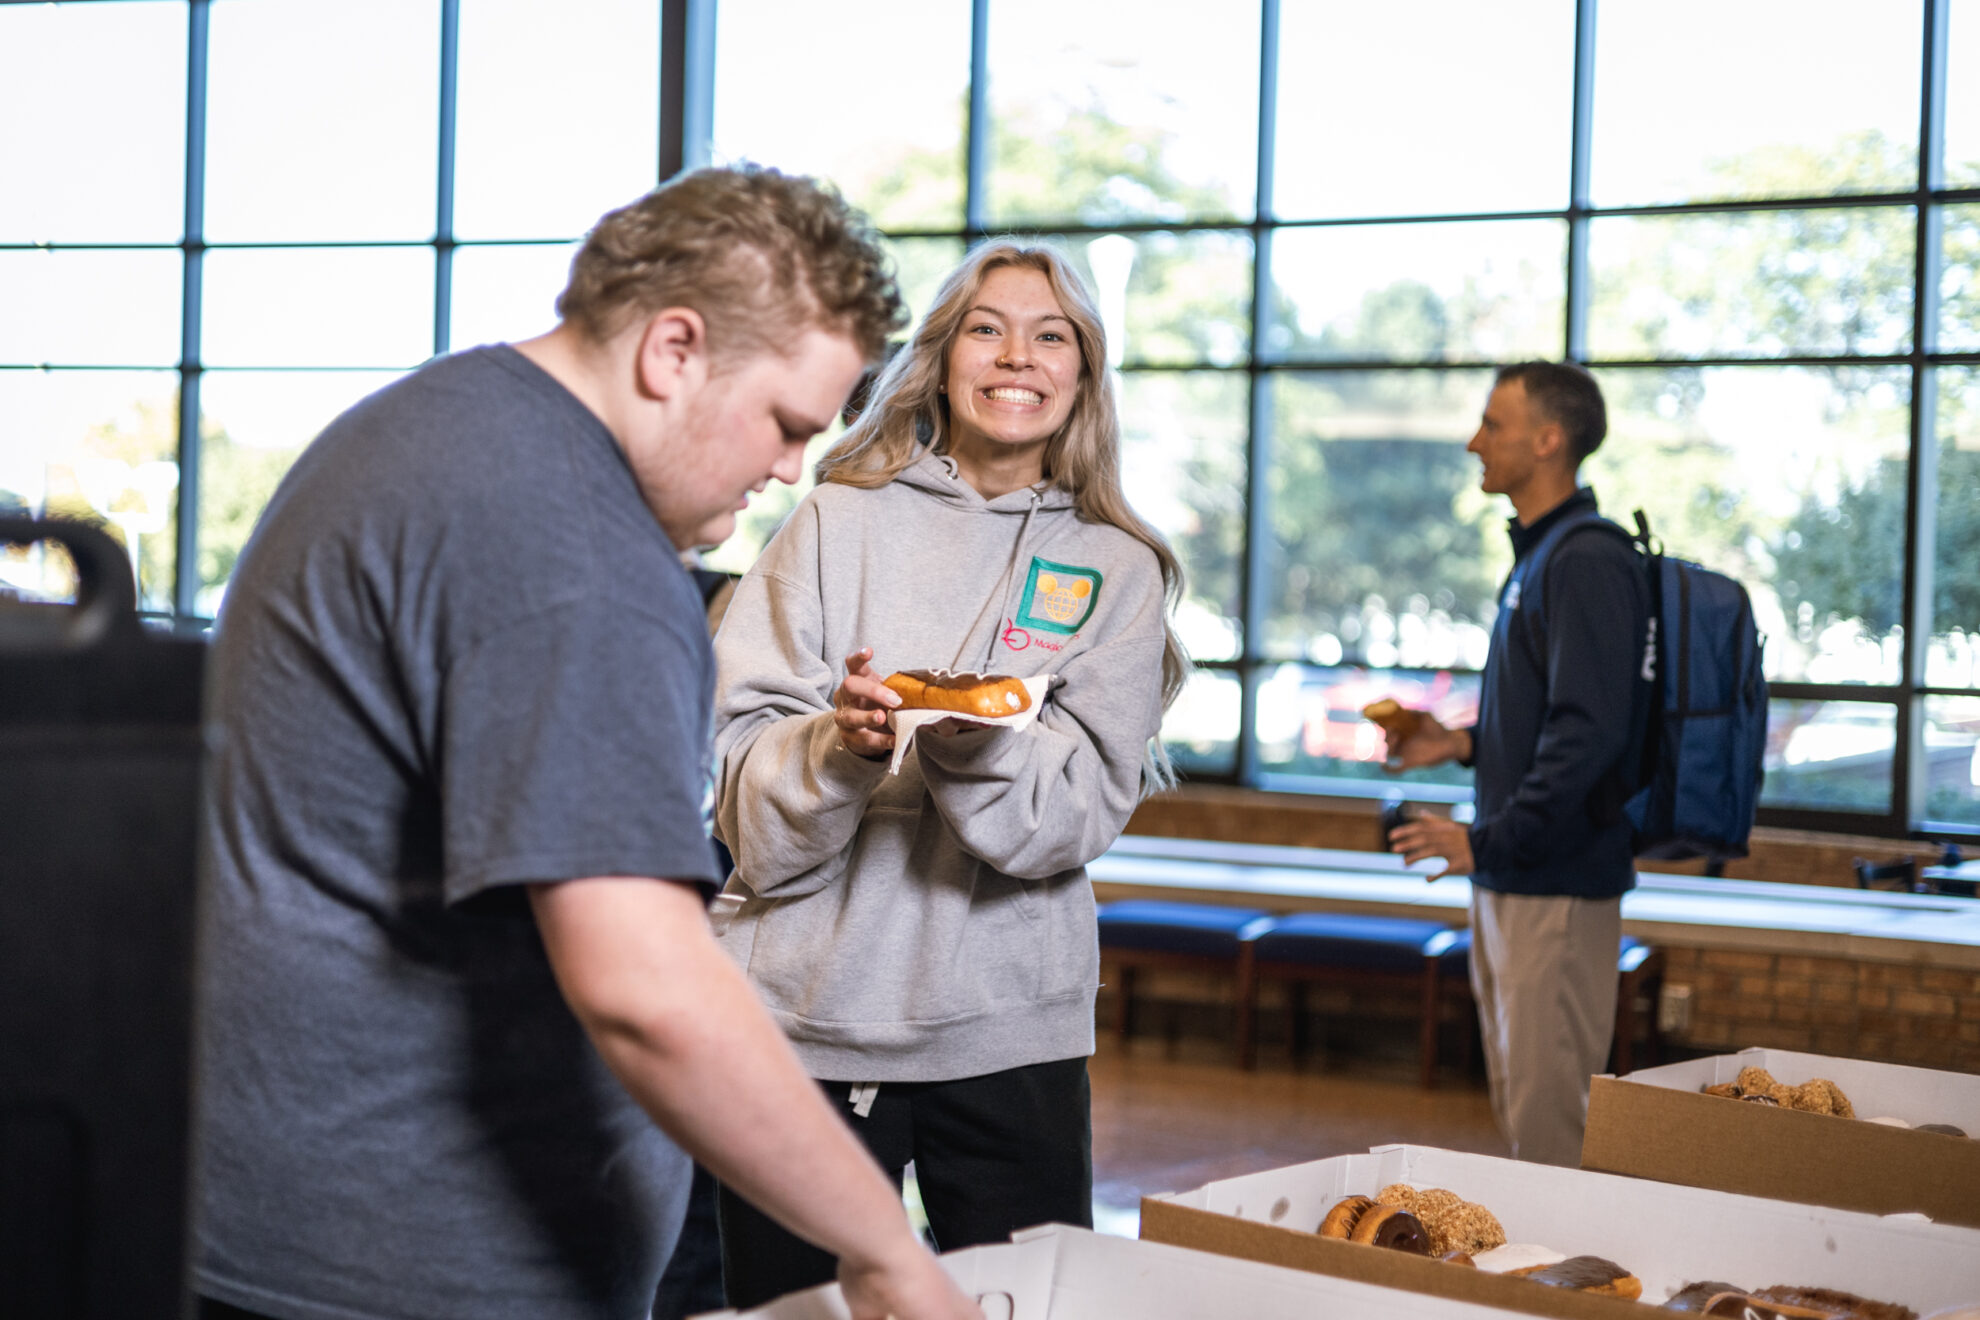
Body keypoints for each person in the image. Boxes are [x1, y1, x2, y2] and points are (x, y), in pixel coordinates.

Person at [192, 165, 981, 1320]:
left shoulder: (430, 424)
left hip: (259, 1214)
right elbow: (645, 986)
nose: (785, 471)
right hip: (406, 1263)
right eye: (785, 423)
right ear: (673, 351)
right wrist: (891, 1257)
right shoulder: (580, 556)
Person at [707, 241, 1190, 1307]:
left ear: (1084, 372)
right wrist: (843, 747)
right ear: (939, 357)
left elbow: (1072, 816)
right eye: (987, 326)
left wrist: (970, 741)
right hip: (806, 1024)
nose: (1018, 354)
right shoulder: (836, 519)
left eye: (1051, 332)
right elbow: (744, 796)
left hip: (1008, 1030)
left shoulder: (1119, 565)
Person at [1382, 361, 1650, 1168]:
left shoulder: (1587, 560)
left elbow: (1589, 733)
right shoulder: (1541, 556)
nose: (1475, 441)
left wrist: (1484, 841)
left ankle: (1570, 1288)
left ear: (1549, 439)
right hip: (1514, 877)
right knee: (1523, 1111)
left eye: (1492, 425)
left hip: (1555, 883)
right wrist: (1458, 743)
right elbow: (1549, 720)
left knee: (1551, 1127)